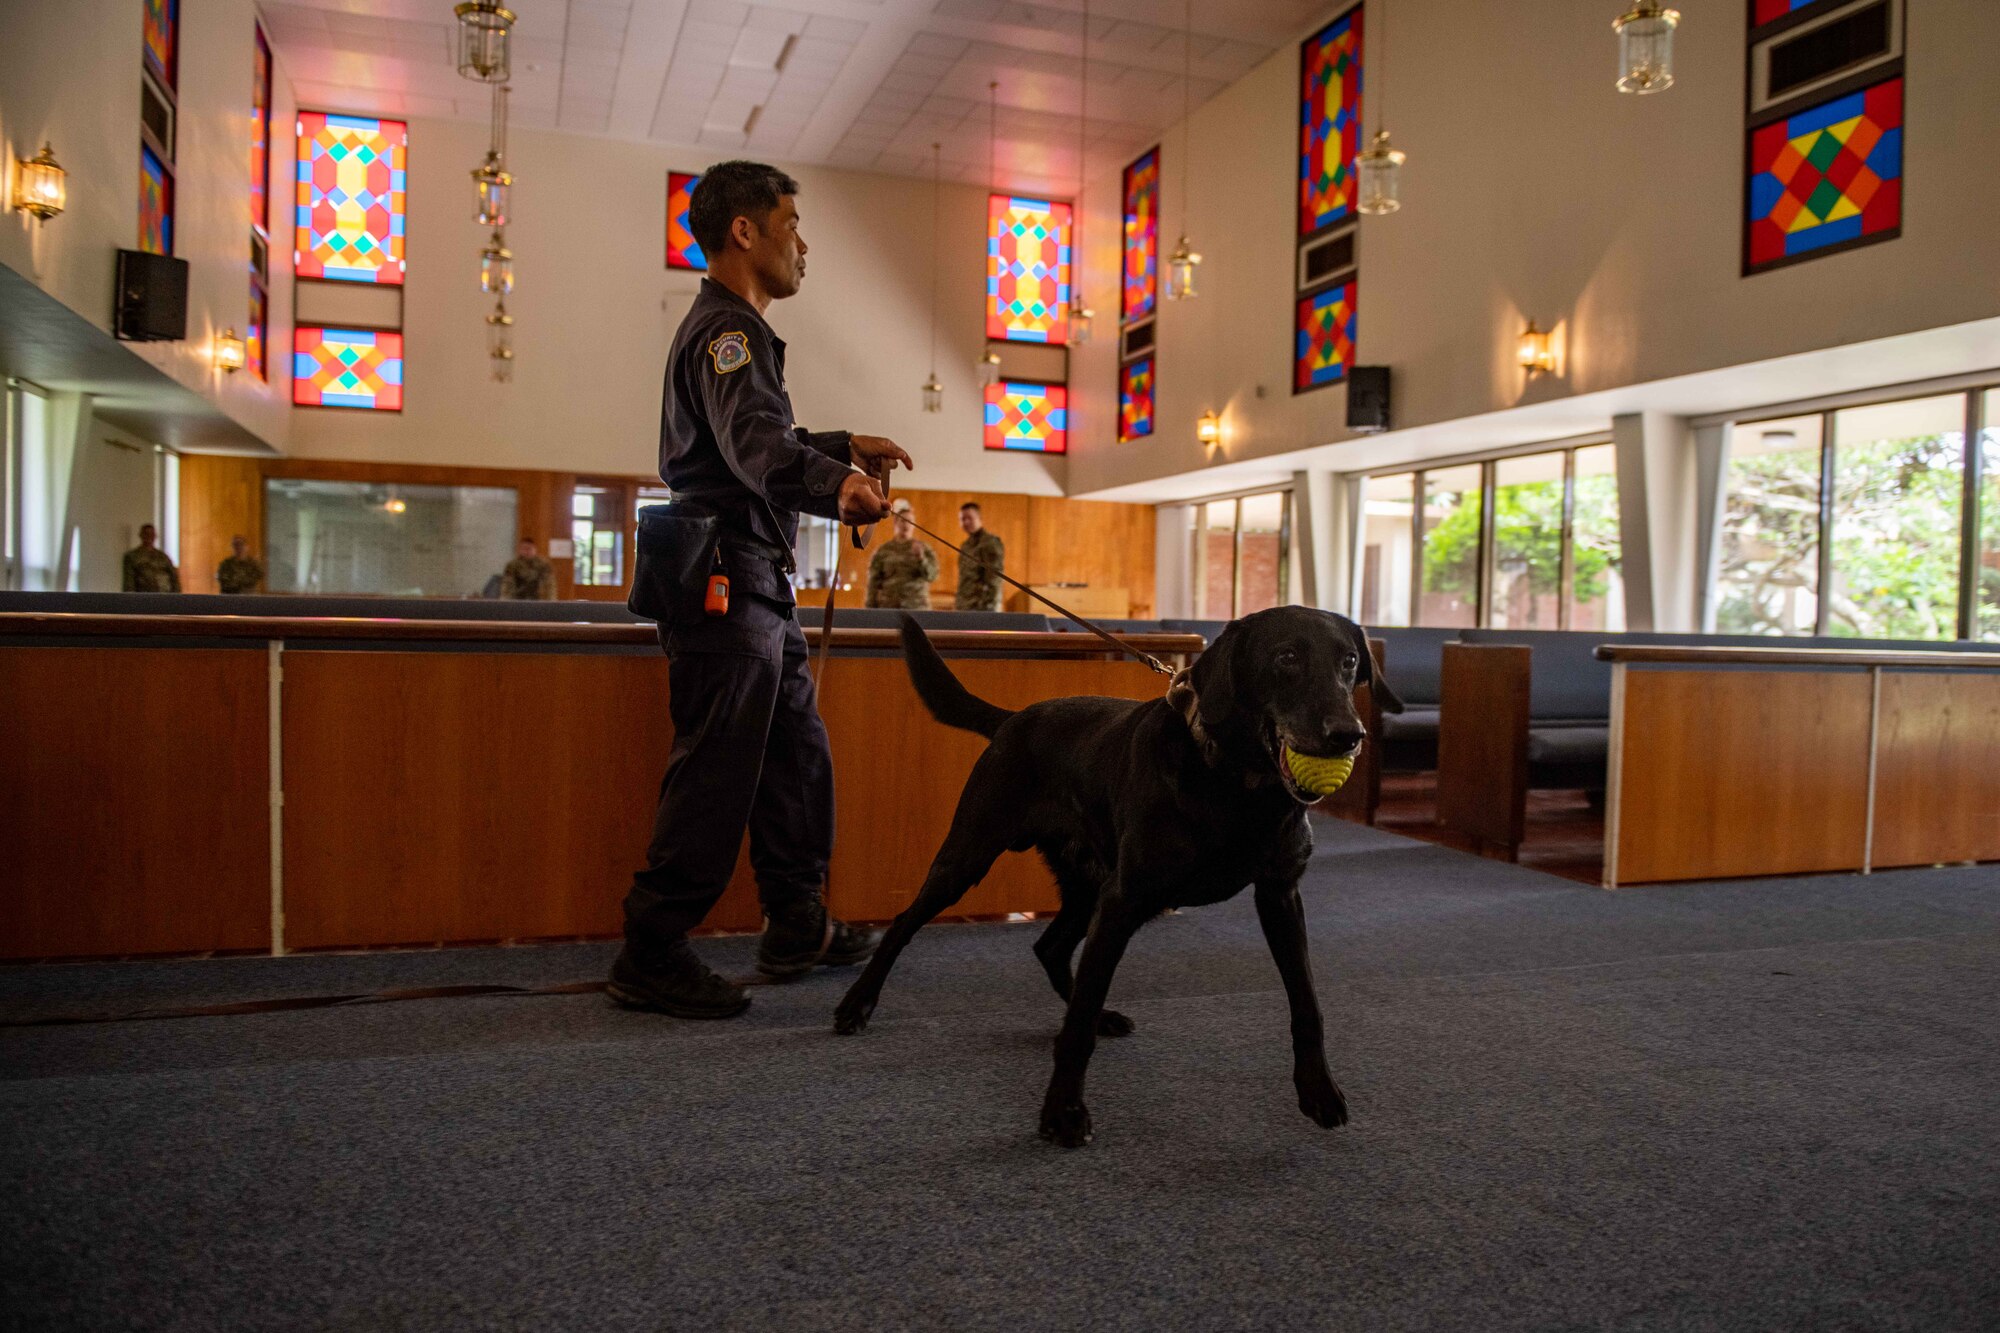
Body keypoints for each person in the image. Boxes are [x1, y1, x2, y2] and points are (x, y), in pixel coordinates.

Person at [609, 160, 911, 1020]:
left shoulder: (731, 332)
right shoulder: (728, 333)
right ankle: (652, 948)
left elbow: (754, 435)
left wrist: (843, 444)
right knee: (716, 771)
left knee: (793, 759)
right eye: (791, 224)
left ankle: (795, 920)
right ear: (745, 232)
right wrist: (834, 484)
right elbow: (753, 446)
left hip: (751, 585)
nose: (802, 245)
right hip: (723, 582)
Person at [865, 498, 939, 609]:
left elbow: (932, 576)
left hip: (917, 607)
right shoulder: (883, 551)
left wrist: (921, 558)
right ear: (895, 522)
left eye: (910, 522)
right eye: (903, 521)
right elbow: (873, 584)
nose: (906, 525)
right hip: (889, 608)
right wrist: (870, 609)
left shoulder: (924, 549)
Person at [954, 501, 1005, 611]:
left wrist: (991, 608)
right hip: (965, 605)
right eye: (963, 519)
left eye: (970, 518)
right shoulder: (966, 545)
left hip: (983, 607)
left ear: (979, 519)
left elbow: (994, 578)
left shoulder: (990, 543)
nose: (966, 522)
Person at [121, 523, 179, 593]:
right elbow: (129, 582)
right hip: (143, 597)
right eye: (146, 534)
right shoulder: (132, 556)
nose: (149, 537)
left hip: (164, 596)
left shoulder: (163, 557)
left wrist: (176, 597)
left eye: (152, 534)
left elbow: (174, 578)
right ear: (141, 535)